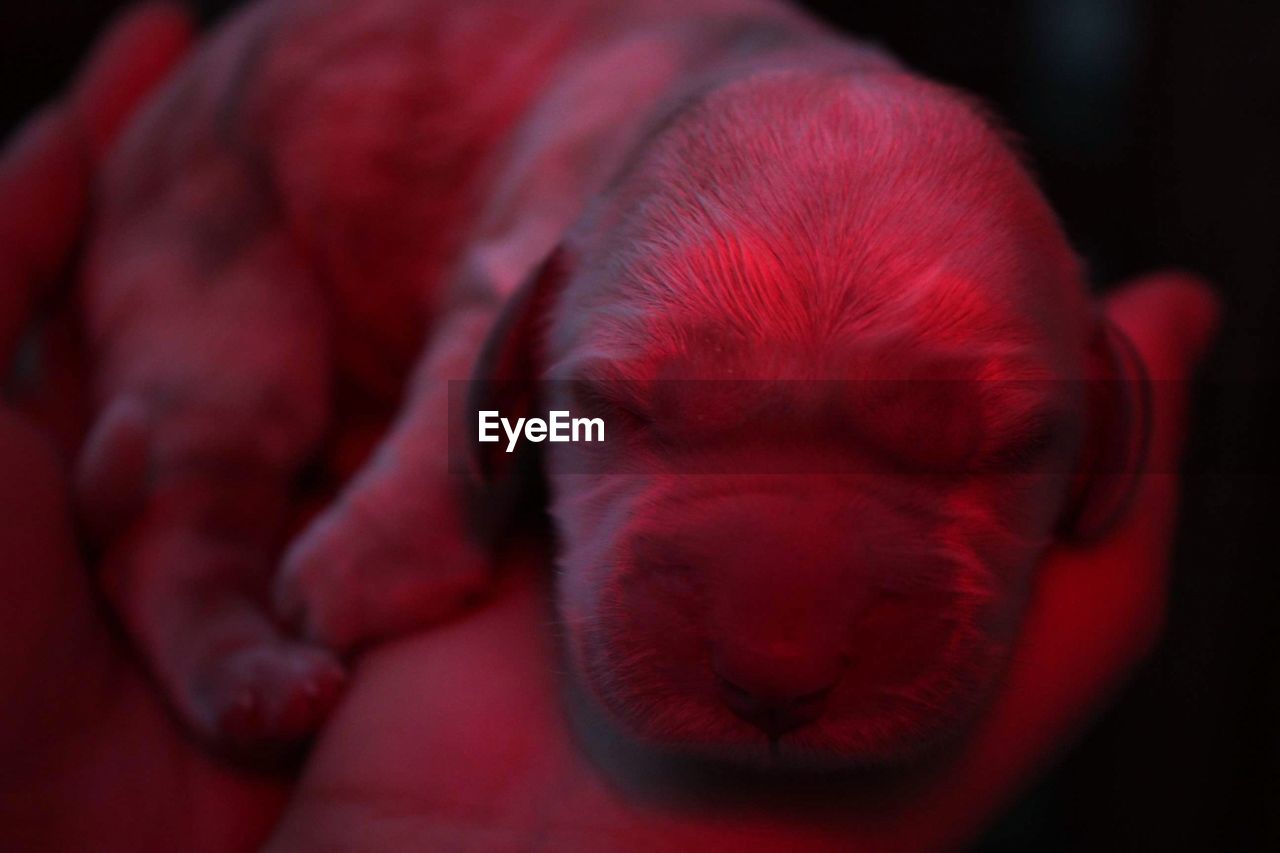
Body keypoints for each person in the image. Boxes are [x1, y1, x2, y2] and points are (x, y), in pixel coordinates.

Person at [0, 5, 1220, 850]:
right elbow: (519, 361)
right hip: (250, 182)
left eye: (955, 443)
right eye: (643, 412)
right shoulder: (569, 242)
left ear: (1100, 423)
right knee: (220, 404)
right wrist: (409, 523)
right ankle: (191, 579)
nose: (781, 650)